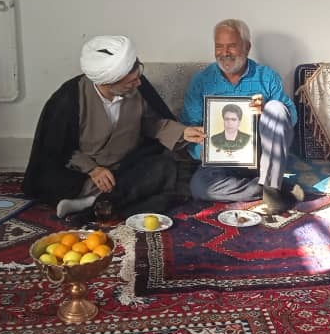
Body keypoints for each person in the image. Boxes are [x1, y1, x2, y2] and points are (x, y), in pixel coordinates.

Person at [23, 35, 205, 222]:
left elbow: (150, 123)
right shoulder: (69, 98)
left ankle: (94, 203)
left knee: (165, 167)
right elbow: (58, 148)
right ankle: (105, 201)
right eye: (130, 81)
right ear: (107, 82)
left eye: (138, 74)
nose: (138, 83)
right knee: (50, 181)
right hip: (82, 174)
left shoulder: (138, 87)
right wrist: (93, 169)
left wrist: (182, 132)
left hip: (126, 166)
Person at [181, 18, 301, 214]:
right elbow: (189, 124)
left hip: (262, 158)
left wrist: (266, 110)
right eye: (219, 46)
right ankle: (269, 188)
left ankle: (270, 182)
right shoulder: (202, 81)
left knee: (277, 108)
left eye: (232, 46)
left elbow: (291, 118)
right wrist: (202, 150)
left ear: (247, 47)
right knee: (199, 187)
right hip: (220, 161)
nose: (224, 52)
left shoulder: (266, 77)